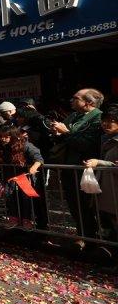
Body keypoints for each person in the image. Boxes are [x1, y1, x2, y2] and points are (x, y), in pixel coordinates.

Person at [50, 88, 104, 239]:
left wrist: (66, 132)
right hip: (69, 167)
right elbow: (65, 138)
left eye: (75, 98)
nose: (71, 100)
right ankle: (83, 235)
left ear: (88, 102)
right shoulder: (74, 116)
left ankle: (94, 238)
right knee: (74, 204)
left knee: (88, 205)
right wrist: (58, 133)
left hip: (86, 168)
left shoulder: (98, 118)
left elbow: (87, 144)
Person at [0, 127, 44, 227]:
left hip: (24, 177)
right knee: (10, 197)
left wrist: (35, 166)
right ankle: (13, 219)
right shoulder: (0, 147)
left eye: (6, 137)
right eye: (1, 137)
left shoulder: (25, 145)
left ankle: (26, 220)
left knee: (25, 199)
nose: (3, 139)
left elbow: (38, 158)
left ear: (13, 137)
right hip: (9, 177)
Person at [83, 103, 118, 242]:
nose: (106, 124)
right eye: (104, 120)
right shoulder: (106, 139)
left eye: (111, 120)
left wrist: (99, 163)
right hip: (110, 192)